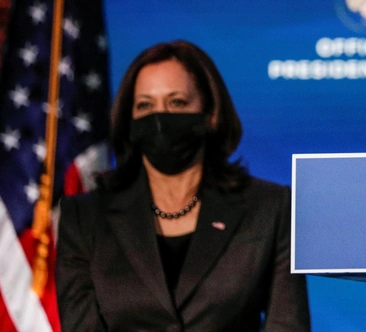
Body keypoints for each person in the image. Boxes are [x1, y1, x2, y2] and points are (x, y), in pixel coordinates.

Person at [56, 40, 310, 331]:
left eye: (176, 102)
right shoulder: (85, 219)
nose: (160, 118)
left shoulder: (270, 208)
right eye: (145, 105)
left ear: (211, 114)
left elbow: (288, 325)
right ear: (130, 121)